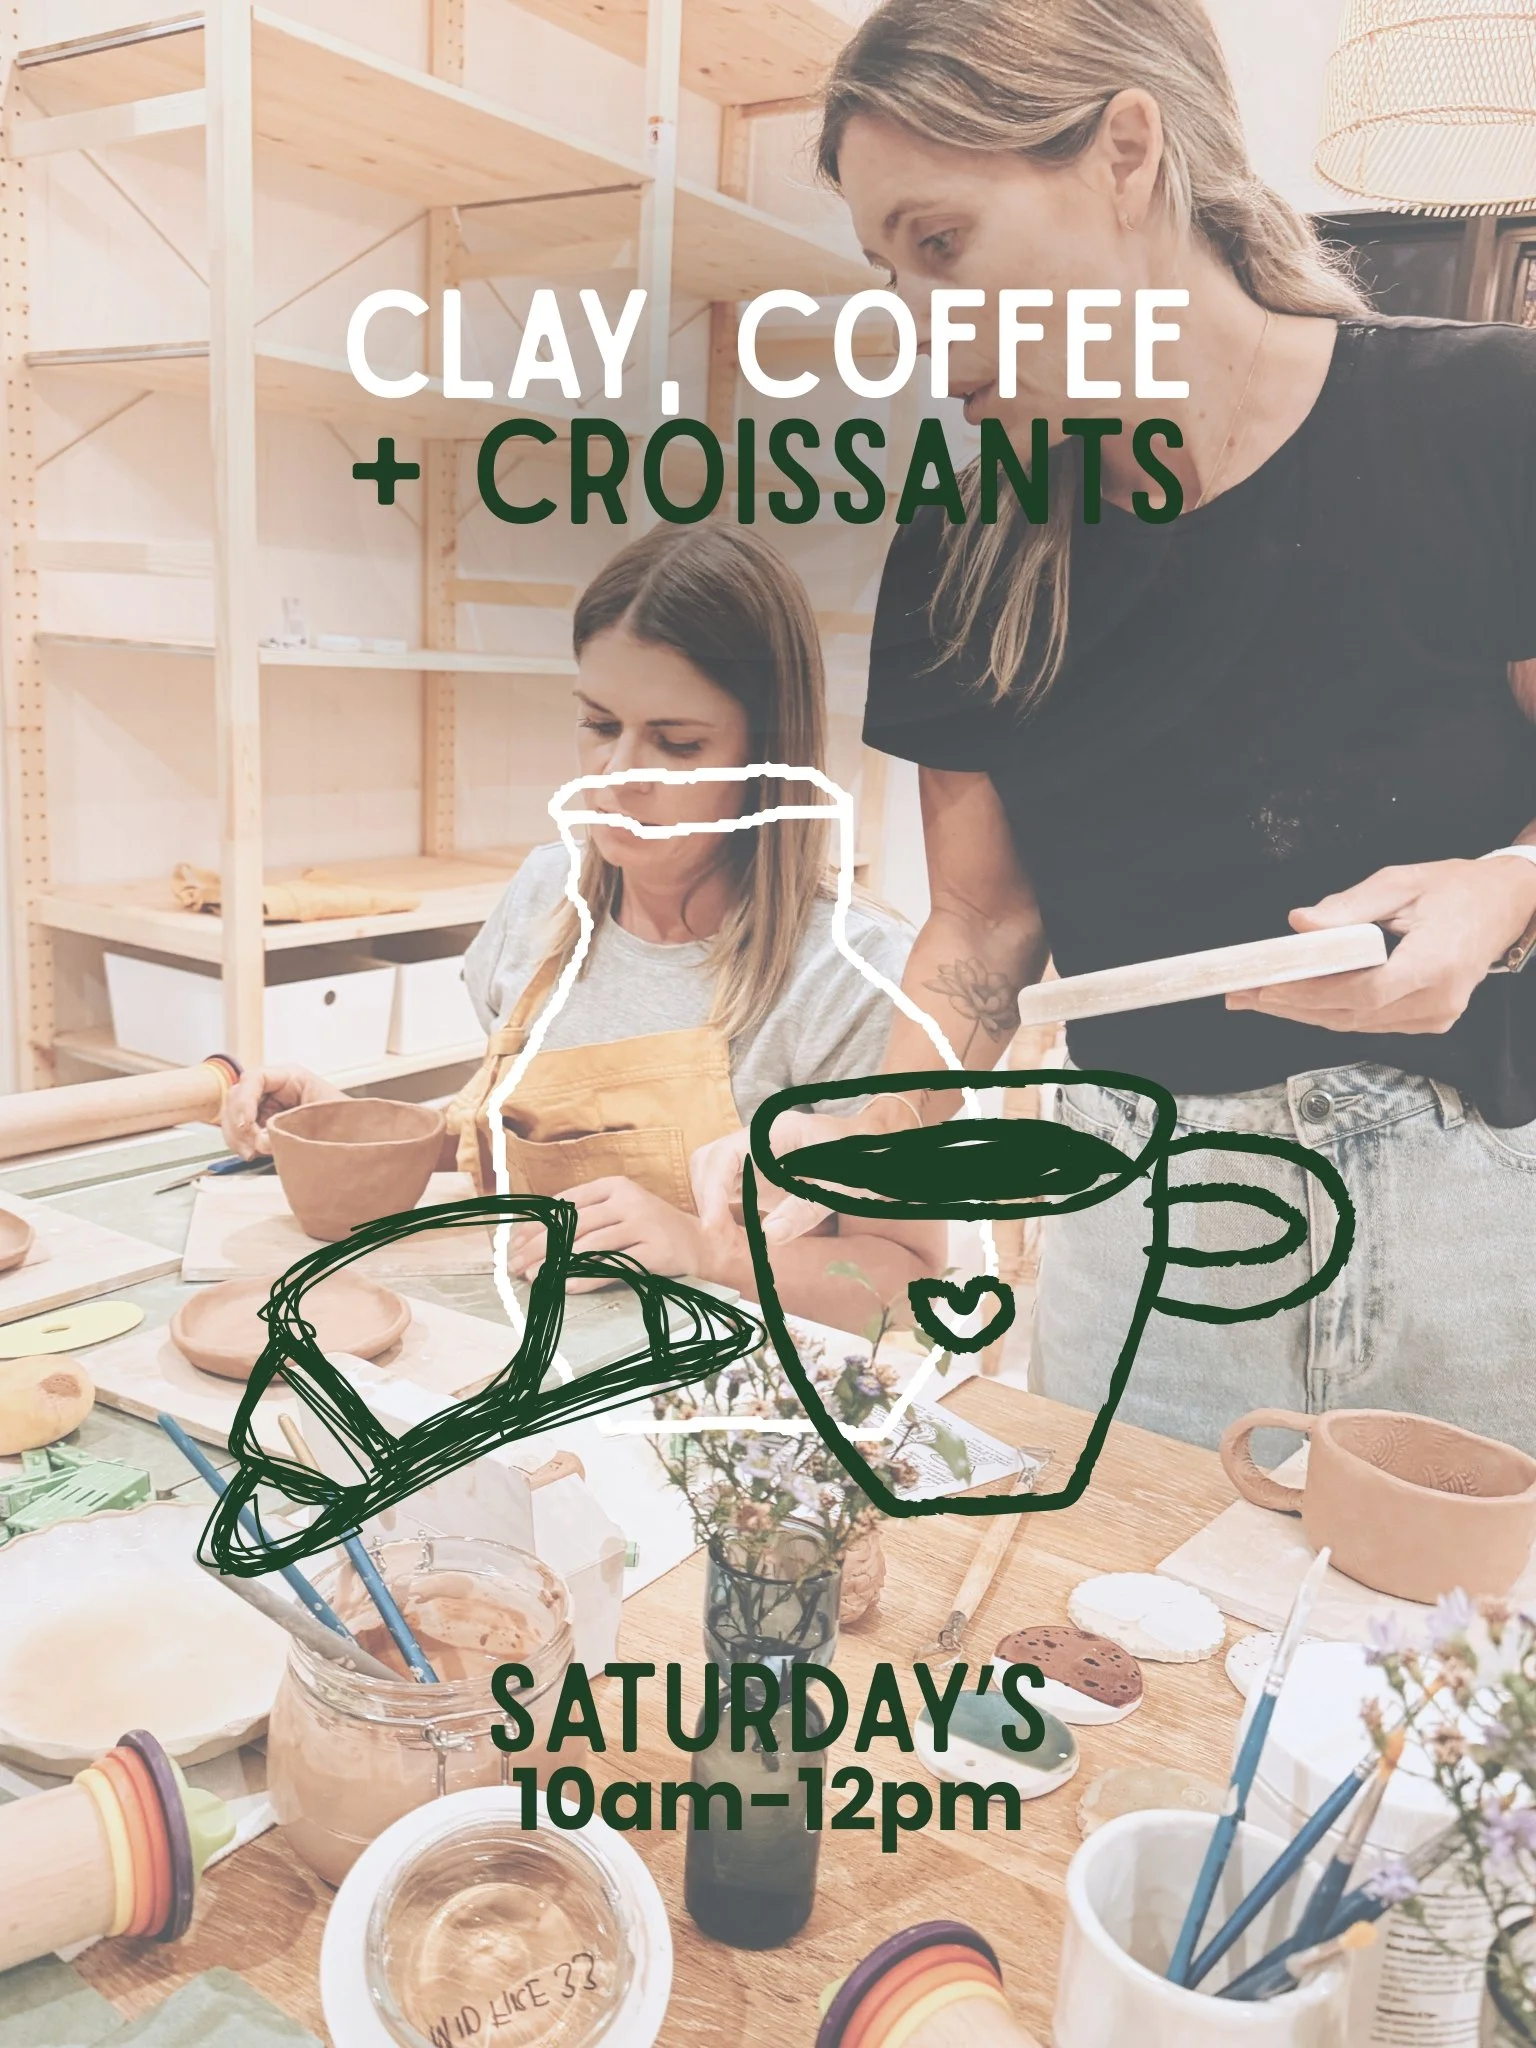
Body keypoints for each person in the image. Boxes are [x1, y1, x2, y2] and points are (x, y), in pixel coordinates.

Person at [697, 0, 1536, 1452]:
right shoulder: (962, 545)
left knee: (1458, 1680)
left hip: (1485, 1212)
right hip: (1139, 1229)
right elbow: (977, 937)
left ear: (1126, 153)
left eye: (942, 244)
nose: (917, 333)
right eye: (889, 273)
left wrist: (1503, 892)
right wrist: (858, 1150)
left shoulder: (1484, 421)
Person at [221, 524, 940, 1334]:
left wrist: (707, 1251)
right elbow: (510, 1146)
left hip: (739, 1400)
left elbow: (905, 1278)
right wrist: (347, 1127)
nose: (615, 776)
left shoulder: (850, 973)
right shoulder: (543, 898)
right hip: (532, 1358)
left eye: (675, 743)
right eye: (600, 726)